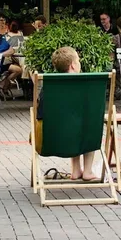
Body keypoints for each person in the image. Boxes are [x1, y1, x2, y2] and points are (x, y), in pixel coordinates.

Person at [38, 46, 100, 182]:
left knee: (73, 123)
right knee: (90, 124)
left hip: (50, 138)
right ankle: (87, 171)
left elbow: (40, 113)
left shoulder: (49, 86)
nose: (80, 63)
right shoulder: (85, 87)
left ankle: (76, 170)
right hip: (77, 135)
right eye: (78, 60)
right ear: (72, 65)